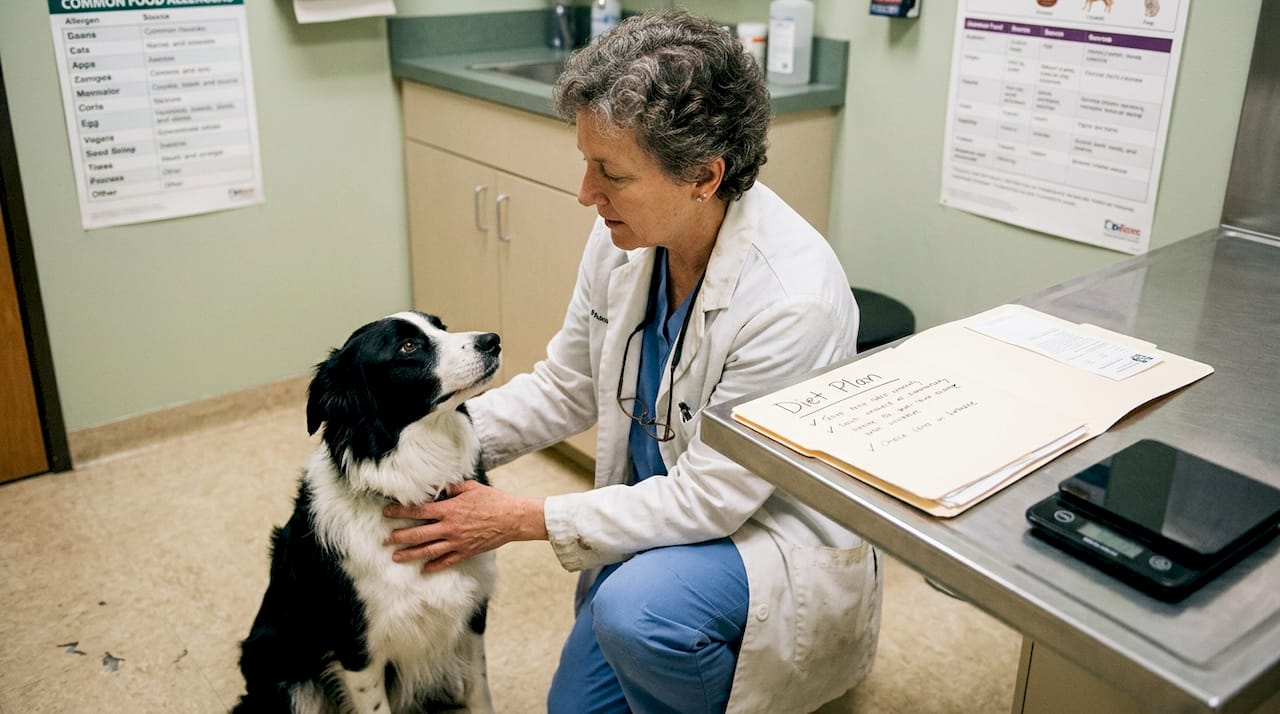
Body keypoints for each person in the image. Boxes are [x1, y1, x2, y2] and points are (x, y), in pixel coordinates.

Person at [384, 9, 882, 713]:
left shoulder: (792, 300)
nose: (586, 194)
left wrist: (518, 516)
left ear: (704, 177)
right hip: (655, 516)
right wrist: (419, 445)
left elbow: (710, 498)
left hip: (755, 535)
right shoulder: (627, 235)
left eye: (610, 172)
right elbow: (567, 385)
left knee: (639, 617)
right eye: (587, 163)